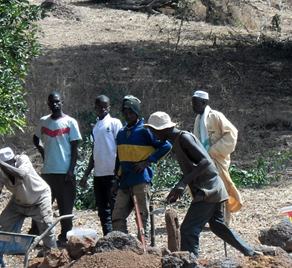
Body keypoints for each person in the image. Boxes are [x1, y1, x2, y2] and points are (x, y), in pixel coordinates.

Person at [143, 111, 256, 258]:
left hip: (208, 189)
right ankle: (251, 252)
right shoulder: (178, 140)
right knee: (218, 226)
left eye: (153, 131)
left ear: (162, 129)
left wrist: (183, 183)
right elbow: (192, 168)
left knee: (188, 229)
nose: (154, 135)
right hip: (213, 187)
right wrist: (179, 186)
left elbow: (205, 161)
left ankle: (191, 264)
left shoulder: (184, 138)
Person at [111, 96, 171, 242]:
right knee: (117, 217)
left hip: (140, 180)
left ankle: (143, 248)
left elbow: (166, 146)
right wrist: (116, 180)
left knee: (141, 217)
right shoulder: (121, 133)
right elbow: (120, 159)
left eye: (131, 113)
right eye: (125, 113)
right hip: (124, 181)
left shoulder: (145, 131)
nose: (128, 116)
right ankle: (123, 246)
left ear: (137, 113)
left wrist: (147, 162)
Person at [34, 92, 82, 244]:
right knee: (42, 207)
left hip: (65, 173)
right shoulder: (44, 121)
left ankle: (64, 238)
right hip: (48, 172)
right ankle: (35, 236)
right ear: (48, 104)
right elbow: (36, 139)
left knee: (65, 209)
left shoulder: (70, 122)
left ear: (62, 102)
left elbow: (74, 148)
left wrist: (71, 170)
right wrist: (43, 153)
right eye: (51, 102)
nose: (54, 104)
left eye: (57, 102)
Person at [0, 147, 57, 249]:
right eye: (4, 166)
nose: (7, 169)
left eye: (9, 164)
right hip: (18, 201)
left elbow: (22, 174)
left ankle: (52, 253)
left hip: (39, 197)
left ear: (14, 160)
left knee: (47, 228)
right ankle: (4, 251)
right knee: (2, 226)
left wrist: (1, 163)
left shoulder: (22, 159)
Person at [191, 90, 243, 224]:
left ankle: (224, 220)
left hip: (217, 159)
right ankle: (210, 219)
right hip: (204, 161)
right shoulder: (198, 119)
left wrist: (213, 151)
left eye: (195, 103)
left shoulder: (216, 116)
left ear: (204, 102)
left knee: (222, 189)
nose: (193, 106)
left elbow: (232, 134)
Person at [79, 95, 122, 236]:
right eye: (100, 106)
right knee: (103, 209)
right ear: (95, 108)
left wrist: (119, 173)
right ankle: (108, 236)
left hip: (112, 173)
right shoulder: (96, 127)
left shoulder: (114, 123)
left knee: (115, 207)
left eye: (105, 106)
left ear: (109, 107)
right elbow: (94, 152)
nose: (103, 109)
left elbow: (121, 149)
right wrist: (86, 174)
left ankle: (118, 237)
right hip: (98, 174)